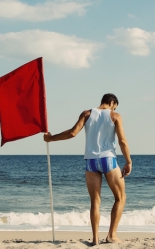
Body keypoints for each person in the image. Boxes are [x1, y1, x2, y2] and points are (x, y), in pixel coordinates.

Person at [43, 93, 132, 245]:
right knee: (121, 198)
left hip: (91, 161)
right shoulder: (115, 116)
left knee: (95, 201)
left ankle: (95, 240)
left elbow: (72, 133)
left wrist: (51, 138)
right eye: (114, 106)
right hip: (108, 159)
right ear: (112, 103)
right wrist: (128, 161)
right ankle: (111, 235)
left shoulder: (87, 113)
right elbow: (122, 141)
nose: (114, 108)